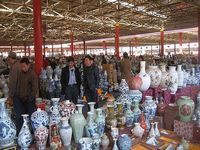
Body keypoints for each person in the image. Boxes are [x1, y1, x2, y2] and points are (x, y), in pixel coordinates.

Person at [13, 57, 38, 133]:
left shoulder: (32, 74)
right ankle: (20, 133)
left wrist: (30, 98)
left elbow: (35, 88)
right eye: (21, 67)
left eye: (24, 66)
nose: (22, 68)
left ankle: (31, 133)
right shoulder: (20, 73)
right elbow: (18, 85)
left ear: (28, 65)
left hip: (29, 100)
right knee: (19, 117)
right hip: (20, 99)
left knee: (30, 117)